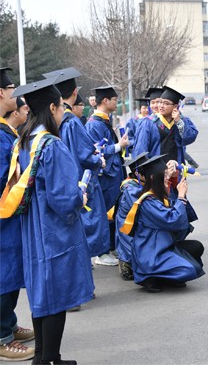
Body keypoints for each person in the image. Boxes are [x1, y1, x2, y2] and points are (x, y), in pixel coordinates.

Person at [3, 77, 94, 364]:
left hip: (32, 229)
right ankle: (49, 359)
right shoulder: (51, 145)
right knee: (57, 294)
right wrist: (80, 194)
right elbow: (63, 199)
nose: (62, 113)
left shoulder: (24, 141)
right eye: (61, 108)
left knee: (42, 294)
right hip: (53, 231)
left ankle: (43, 356)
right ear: (53, 108)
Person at [43, 68, 110, 265]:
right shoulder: (71, 120)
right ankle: (94, 255)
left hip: (64, 178)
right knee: (90, 217)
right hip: (82, 177)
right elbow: (84, 154)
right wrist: (98, 160)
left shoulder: (53, 120)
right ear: (74, 92)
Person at [120, 155, 204, 293]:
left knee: (196, 247)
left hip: (164, 245)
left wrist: (176, 182)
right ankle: (150, 277)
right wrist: (181, 196)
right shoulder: (146, 201)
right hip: (152, 253)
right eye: (165, 175)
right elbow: (173, 220)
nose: (168, 177)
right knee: (190, 269)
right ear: (153, 178)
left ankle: (167, 276)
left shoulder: (158, 193)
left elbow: (181, 217)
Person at [0, 67, 35, 362]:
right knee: (3, 275)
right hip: (2, 215)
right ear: (1, 93)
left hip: (10, 215)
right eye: (12, 89)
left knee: (11, 274)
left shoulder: (6, 131)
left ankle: (8, 324)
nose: (16, 93)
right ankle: (1, 337)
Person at [85, 86, 129, 266]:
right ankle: (100, 253)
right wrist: (119, 146)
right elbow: (96, 150)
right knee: (102, 213)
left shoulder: (104, 121)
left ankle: (108, 247)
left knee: (109, 212)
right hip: (104, 177)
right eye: (115, 100)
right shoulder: (94, 124)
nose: (117, 103)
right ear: (105, 101)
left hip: (112, 175)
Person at [132, 85, 198, 165]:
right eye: (160, 102)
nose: (161, 106)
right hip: (155, 170)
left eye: (166, 103)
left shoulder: (181, 121)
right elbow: (140, 152)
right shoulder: (148, 123)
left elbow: (190, 138)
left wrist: (178, 121)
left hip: (176, 168)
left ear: (175, 106)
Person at [114, 152, 151, 281]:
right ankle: (125, 262)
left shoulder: (139, 183)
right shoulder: (130, 188)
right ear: (137, 173)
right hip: (128, 228)